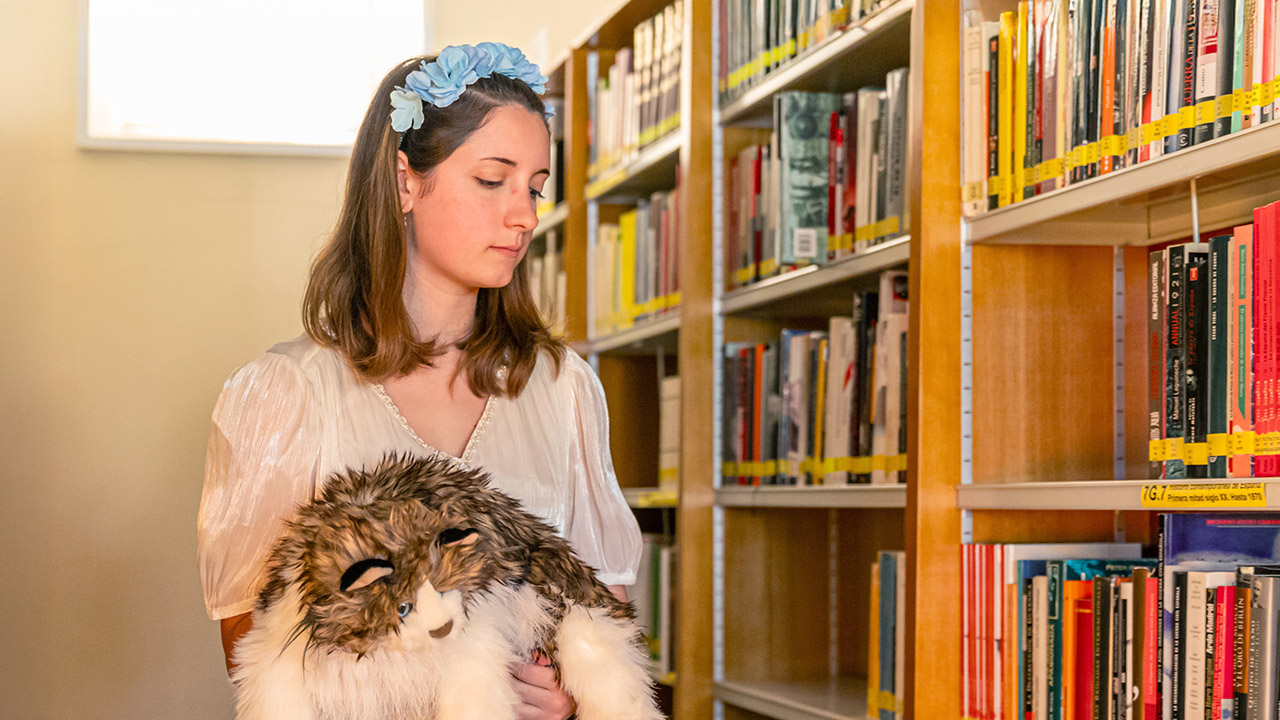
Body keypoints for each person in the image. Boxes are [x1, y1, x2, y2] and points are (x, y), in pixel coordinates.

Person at [196, 44, 642, 720]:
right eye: (493, 180)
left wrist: (567, 696)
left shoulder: (563, 389)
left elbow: (601, 603)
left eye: (536, 187)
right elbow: (250, 644)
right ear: (406, 181)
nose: (524, 216)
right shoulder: (285, 394)